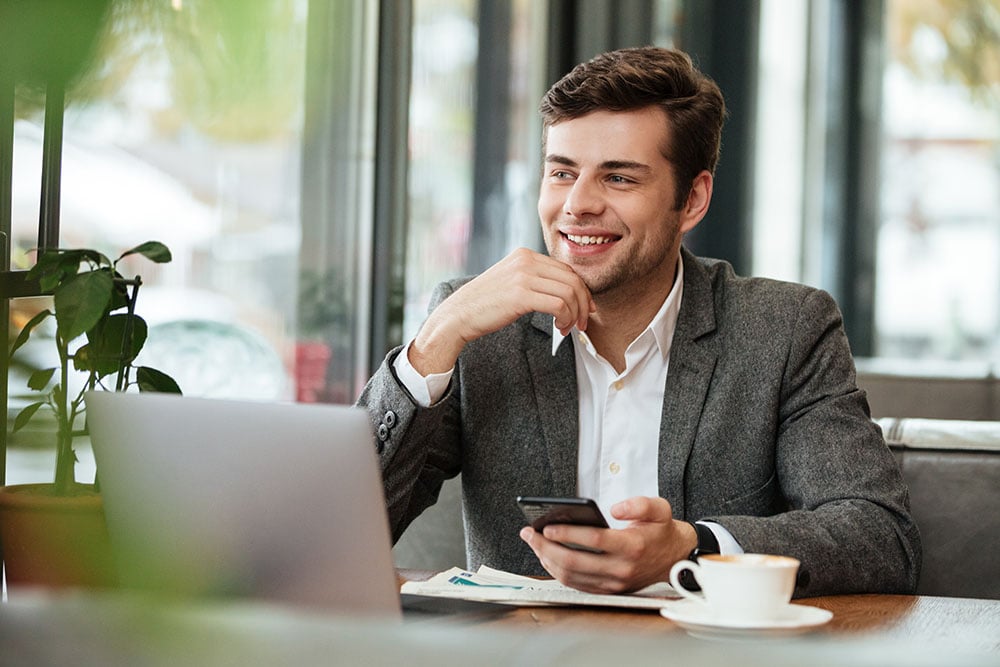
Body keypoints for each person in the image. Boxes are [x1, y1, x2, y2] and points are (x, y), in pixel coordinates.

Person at [358, 46, 921, 597]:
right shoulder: (479, 327)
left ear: (693, 199)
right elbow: (344, 527)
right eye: (561, 172)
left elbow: (878, 536)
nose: (577, 204)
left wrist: (691, 548)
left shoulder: (786, 328)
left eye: (619, 178)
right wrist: (434, 341)